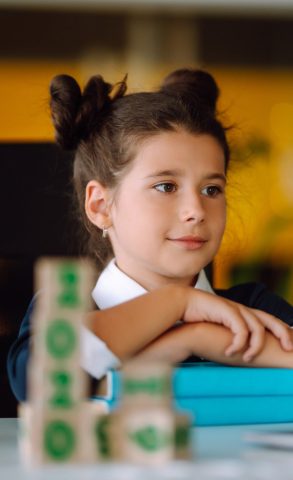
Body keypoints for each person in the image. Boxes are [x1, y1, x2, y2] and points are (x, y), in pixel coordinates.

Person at [7, 68, 293, 402]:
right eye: (165, 186)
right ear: (101, 205)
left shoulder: (251, 304)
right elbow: (41, 383)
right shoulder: (69, 305)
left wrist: (196, 335)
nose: (196, 210)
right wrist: (177, 305)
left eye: (212, 189)